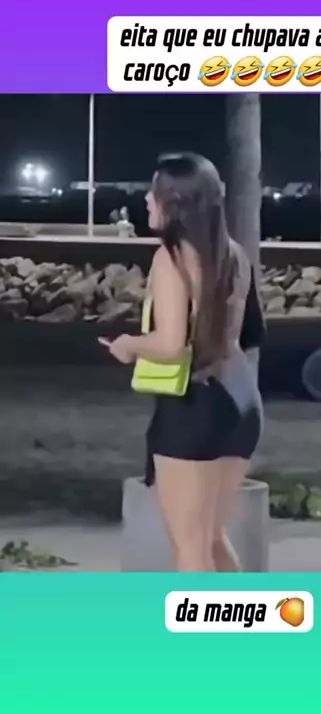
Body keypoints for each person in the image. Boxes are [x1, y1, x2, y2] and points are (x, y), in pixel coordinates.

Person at [100, 153, 264, 572]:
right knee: (212, 538)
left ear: (176, 203)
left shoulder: (171, 257)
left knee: (190, 549)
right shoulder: (236, 255)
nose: (146, 199)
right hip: (242, 402)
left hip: (195, 406)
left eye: (154, 192)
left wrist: (129, 346)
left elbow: (172, 344)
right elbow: (249, 334)